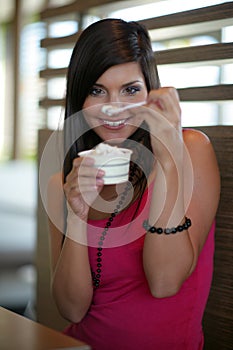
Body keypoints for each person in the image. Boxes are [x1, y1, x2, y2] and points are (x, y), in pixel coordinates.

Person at [47, 18, 220, 350]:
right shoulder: (64, 183)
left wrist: (168, 159)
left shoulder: (191, 150)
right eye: (97, 90)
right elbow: (71, 309)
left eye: (130, 89)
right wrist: (78, 216)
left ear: (149, 90)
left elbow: (165, 282)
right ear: (79, 98)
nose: (114, 106)